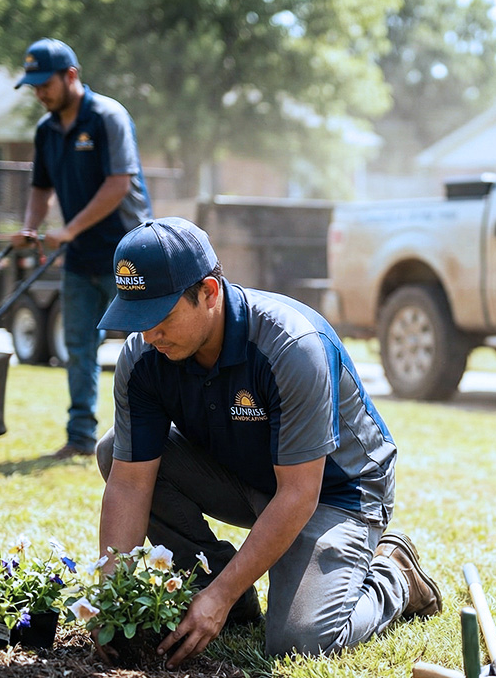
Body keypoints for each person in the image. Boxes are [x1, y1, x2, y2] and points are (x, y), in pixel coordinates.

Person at [92, 217, 440, 665]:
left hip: (337, 491)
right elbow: (130, 484)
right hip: (249, 472)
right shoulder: (144, 356)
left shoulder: (291, 346)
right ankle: (227, 597)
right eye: (135, 318)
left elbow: (299, 494)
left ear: (209, 294)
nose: (148, 333)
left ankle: (395, 574)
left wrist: (217, 596)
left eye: (160, 316)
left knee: (301, 641)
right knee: (113, 450)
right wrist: (110, 595)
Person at [14, 38, 152, 459]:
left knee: (149, 347)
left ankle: (158, 435)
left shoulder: (108, 116)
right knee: (78, 347)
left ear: (70, 75)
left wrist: (69, 229)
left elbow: (118, 184)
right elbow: (41, 189)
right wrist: (29, 227)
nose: (39, 92)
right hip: (80, 257)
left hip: (129, 253)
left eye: (45, 83)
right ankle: (78, 438)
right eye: (33, 85)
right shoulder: (46, 131)